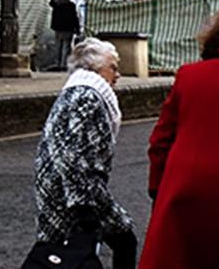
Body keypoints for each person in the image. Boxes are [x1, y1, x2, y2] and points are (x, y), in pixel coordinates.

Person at [139, 7, 219, 269]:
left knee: (171, 257)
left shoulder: (189, 75)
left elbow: (160, 140)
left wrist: (159, 189)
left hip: (183, 180)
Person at [33, 38, 136, 269]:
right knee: (124, 239)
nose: (118, 75)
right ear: (95, 69)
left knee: (58, 250)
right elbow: (72, 156)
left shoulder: (76, 91)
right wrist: (83, 207)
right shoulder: (88, 98)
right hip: (73, 194)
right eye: (113, 68)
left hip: (56, 188)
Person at [49, 0, 81, 70]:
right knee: (66, 47)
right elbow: (75, 18)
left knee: (58, 46)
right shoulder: (71, 5)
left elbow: (51, 3)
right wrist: (77, 29)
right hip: (68, 29)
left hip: (58, 28)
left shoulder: (57, 5)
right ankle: (64, 64)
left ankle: (58, 64)